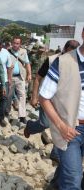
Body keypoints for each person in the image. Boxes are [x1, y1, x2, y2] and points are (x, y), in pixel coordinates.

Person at [39, 27, 84, 189]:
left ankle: (55, 184)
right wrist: (61, 126)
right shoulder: (63, 62)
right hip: (71, 129)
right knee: (73, 178)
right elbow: (44, 97)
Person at [7, 36, 31, 124]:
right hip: (10, 77)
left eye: (17, 43)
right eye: (14, 43)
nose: (15, 45)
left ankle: (22, 116)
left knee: (22, 95)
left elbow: (27, 63)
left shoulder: (23, 52)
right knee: (8, 96)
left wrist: (29, 74)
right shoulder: (7, 52)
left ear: (20, 44)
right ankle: (7, 113)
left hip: (20, 77)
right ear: (11, 43)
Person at [0, 40, 13, 126]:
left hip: (4, 80)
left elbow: (9, 66)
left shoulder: (5, 52)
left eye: (0, 47)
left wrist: (9, 79)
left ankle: (1, 117)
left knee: (4, 98)